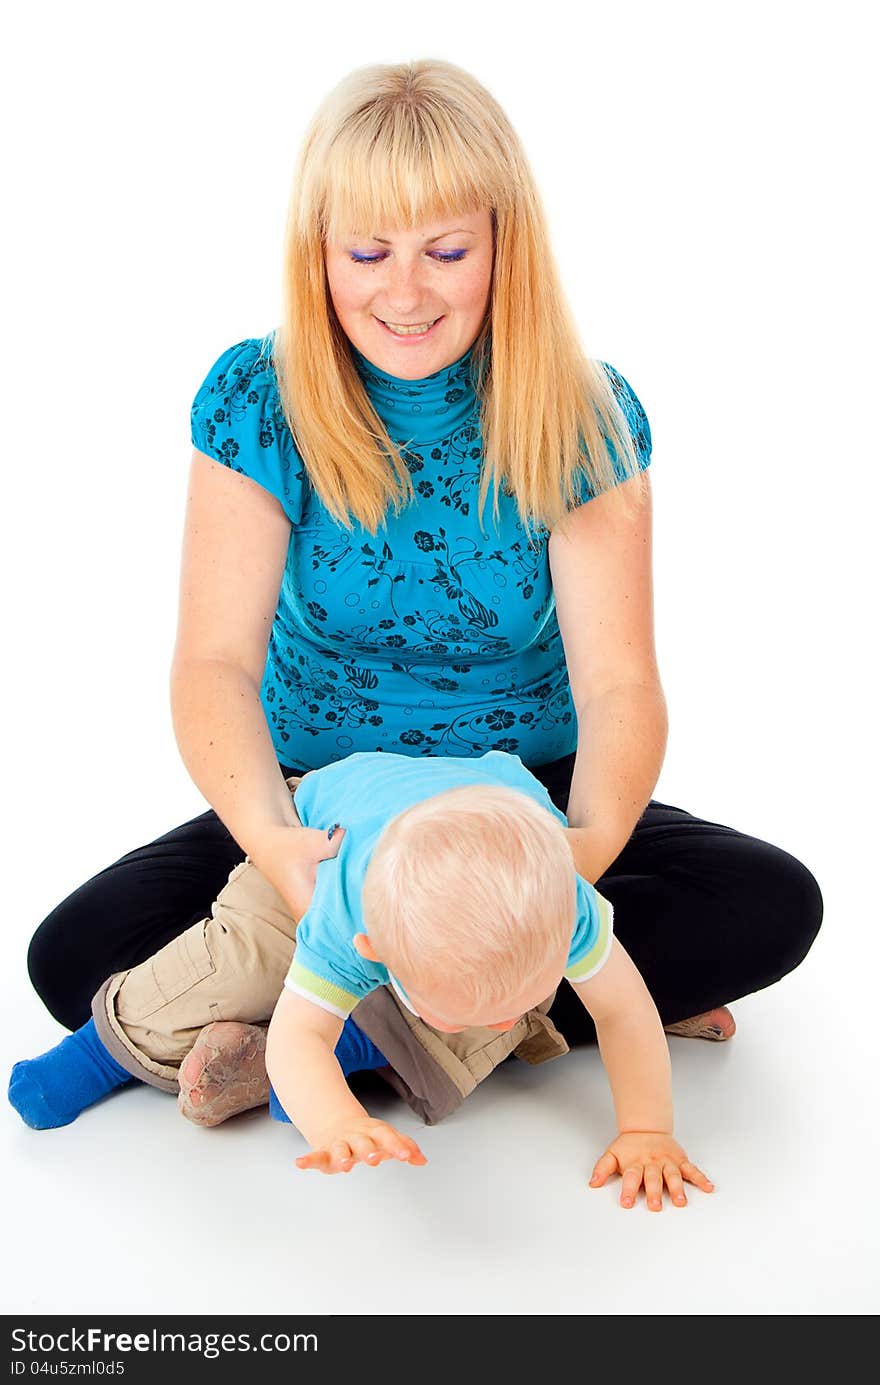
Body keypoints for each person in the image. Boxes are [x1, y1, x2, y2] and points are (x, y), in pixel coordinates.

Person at [24, 59, 823, 1202]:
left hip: (524, 802)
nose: (407, 293)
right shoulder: (258, 398)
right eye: (368, 254)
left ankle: (336, 1034)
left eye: (446, 251)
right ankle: (512, 1013)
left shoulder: (584, 413)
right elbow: (213, 663)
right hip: (326, 804)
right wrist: (273, 845)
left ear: (504, 245)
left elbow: (617, 684)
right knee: (74, 958)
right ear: (319, 253)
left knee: (773, 903)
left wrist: (574, 861)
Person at [11, 750, 714, 1209]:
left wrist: (648, 1128)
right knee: (237, 959)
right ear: (373, 950)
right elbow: (298, 1033)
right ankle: (101, 1048)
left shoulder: (564, 906)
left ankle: (346, 1053)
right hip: (320, 841)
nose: (502, 1019)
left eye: (521, 995)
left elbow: (624, 1012)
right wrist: (336, 1122)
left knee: (503, 1031)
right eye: (489, 1006)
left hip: (499, 847)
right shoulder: (343, 911)